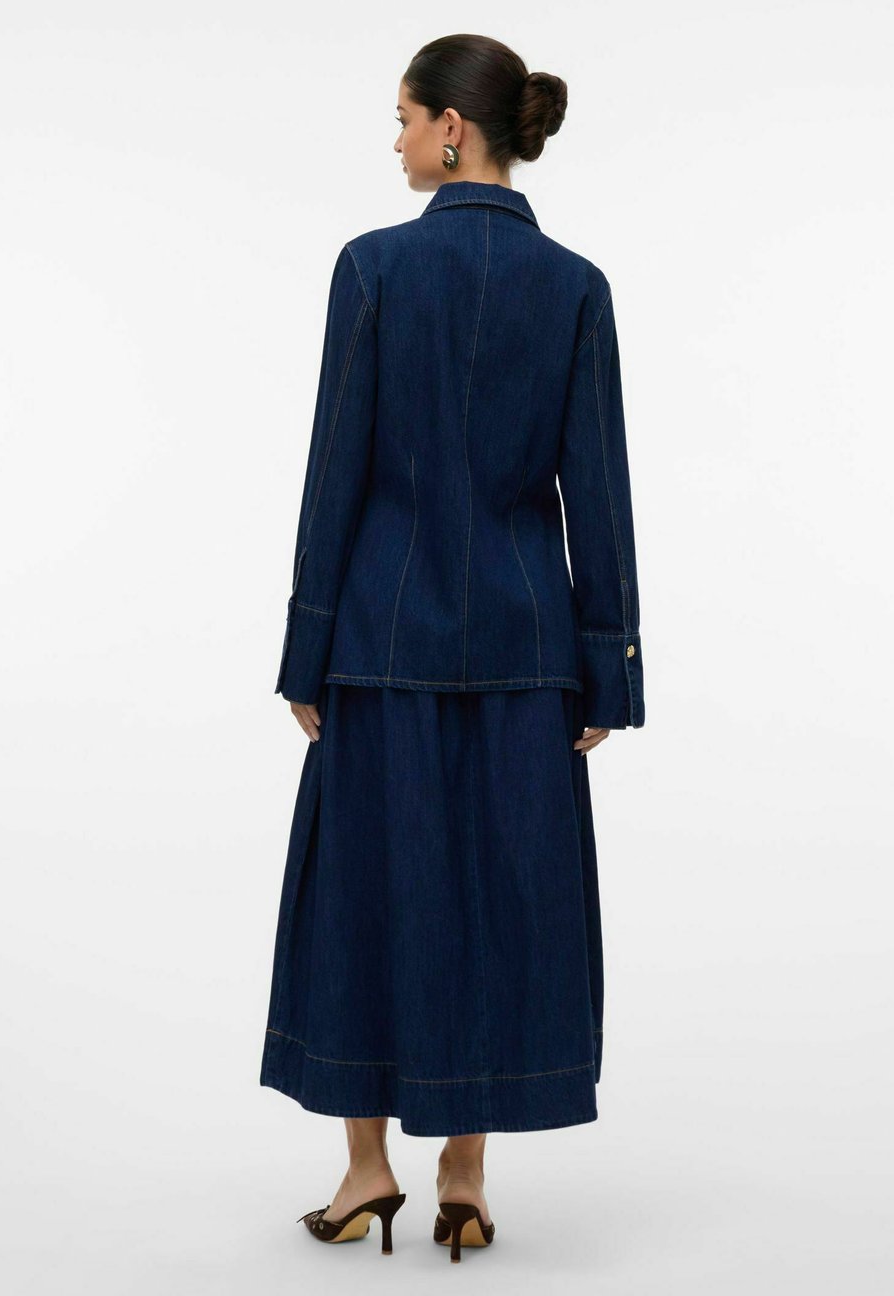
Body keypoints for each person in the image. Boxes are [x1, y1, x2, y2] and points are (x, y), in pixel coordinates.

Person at [260, 32, 646, 1263]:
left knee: (367, 896)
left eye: (402, 118)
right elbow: (599, 490)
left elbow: (337, 470)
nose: (394, 142)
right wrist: (610, 665)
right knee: (499, 902)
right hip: (532, 649)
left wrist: (305, 652)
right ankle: (465, 1180)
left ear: (450, 130)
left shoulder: (373, 268)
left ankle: (366, 1168)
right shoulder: (576, 285)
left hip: (380, 639)